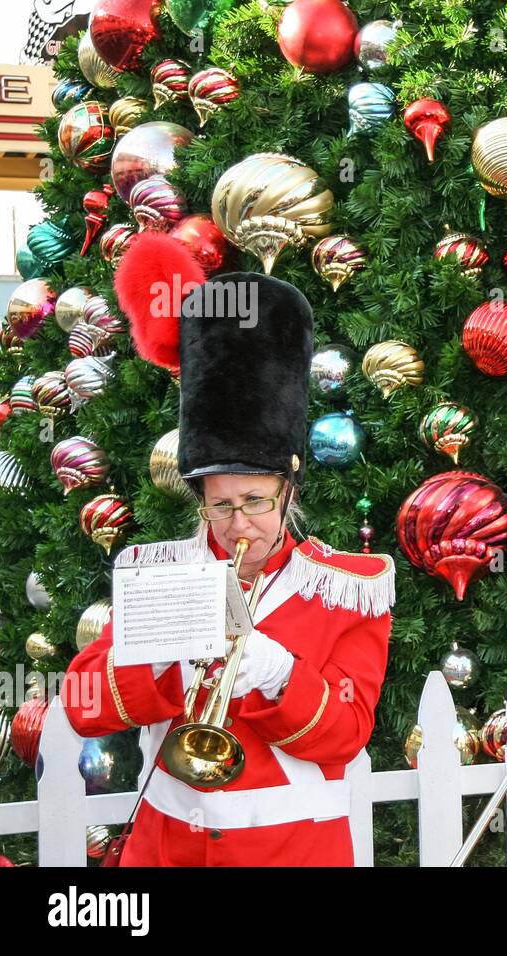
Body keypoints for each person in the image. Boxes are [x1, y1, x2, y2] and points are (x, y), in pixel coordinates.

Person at [60, 232, 394, 866]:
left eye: (255, 502)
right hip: (165, 852)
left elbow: (347, 734)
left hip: (293, 853)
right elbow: (83, 704)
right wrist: (160, 663)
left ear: (287, 489)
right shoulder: (165, 573)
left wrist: (278, 675)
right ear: (199, 498)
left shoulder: (351, 585)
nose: (239, 524)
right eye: (220, 504)